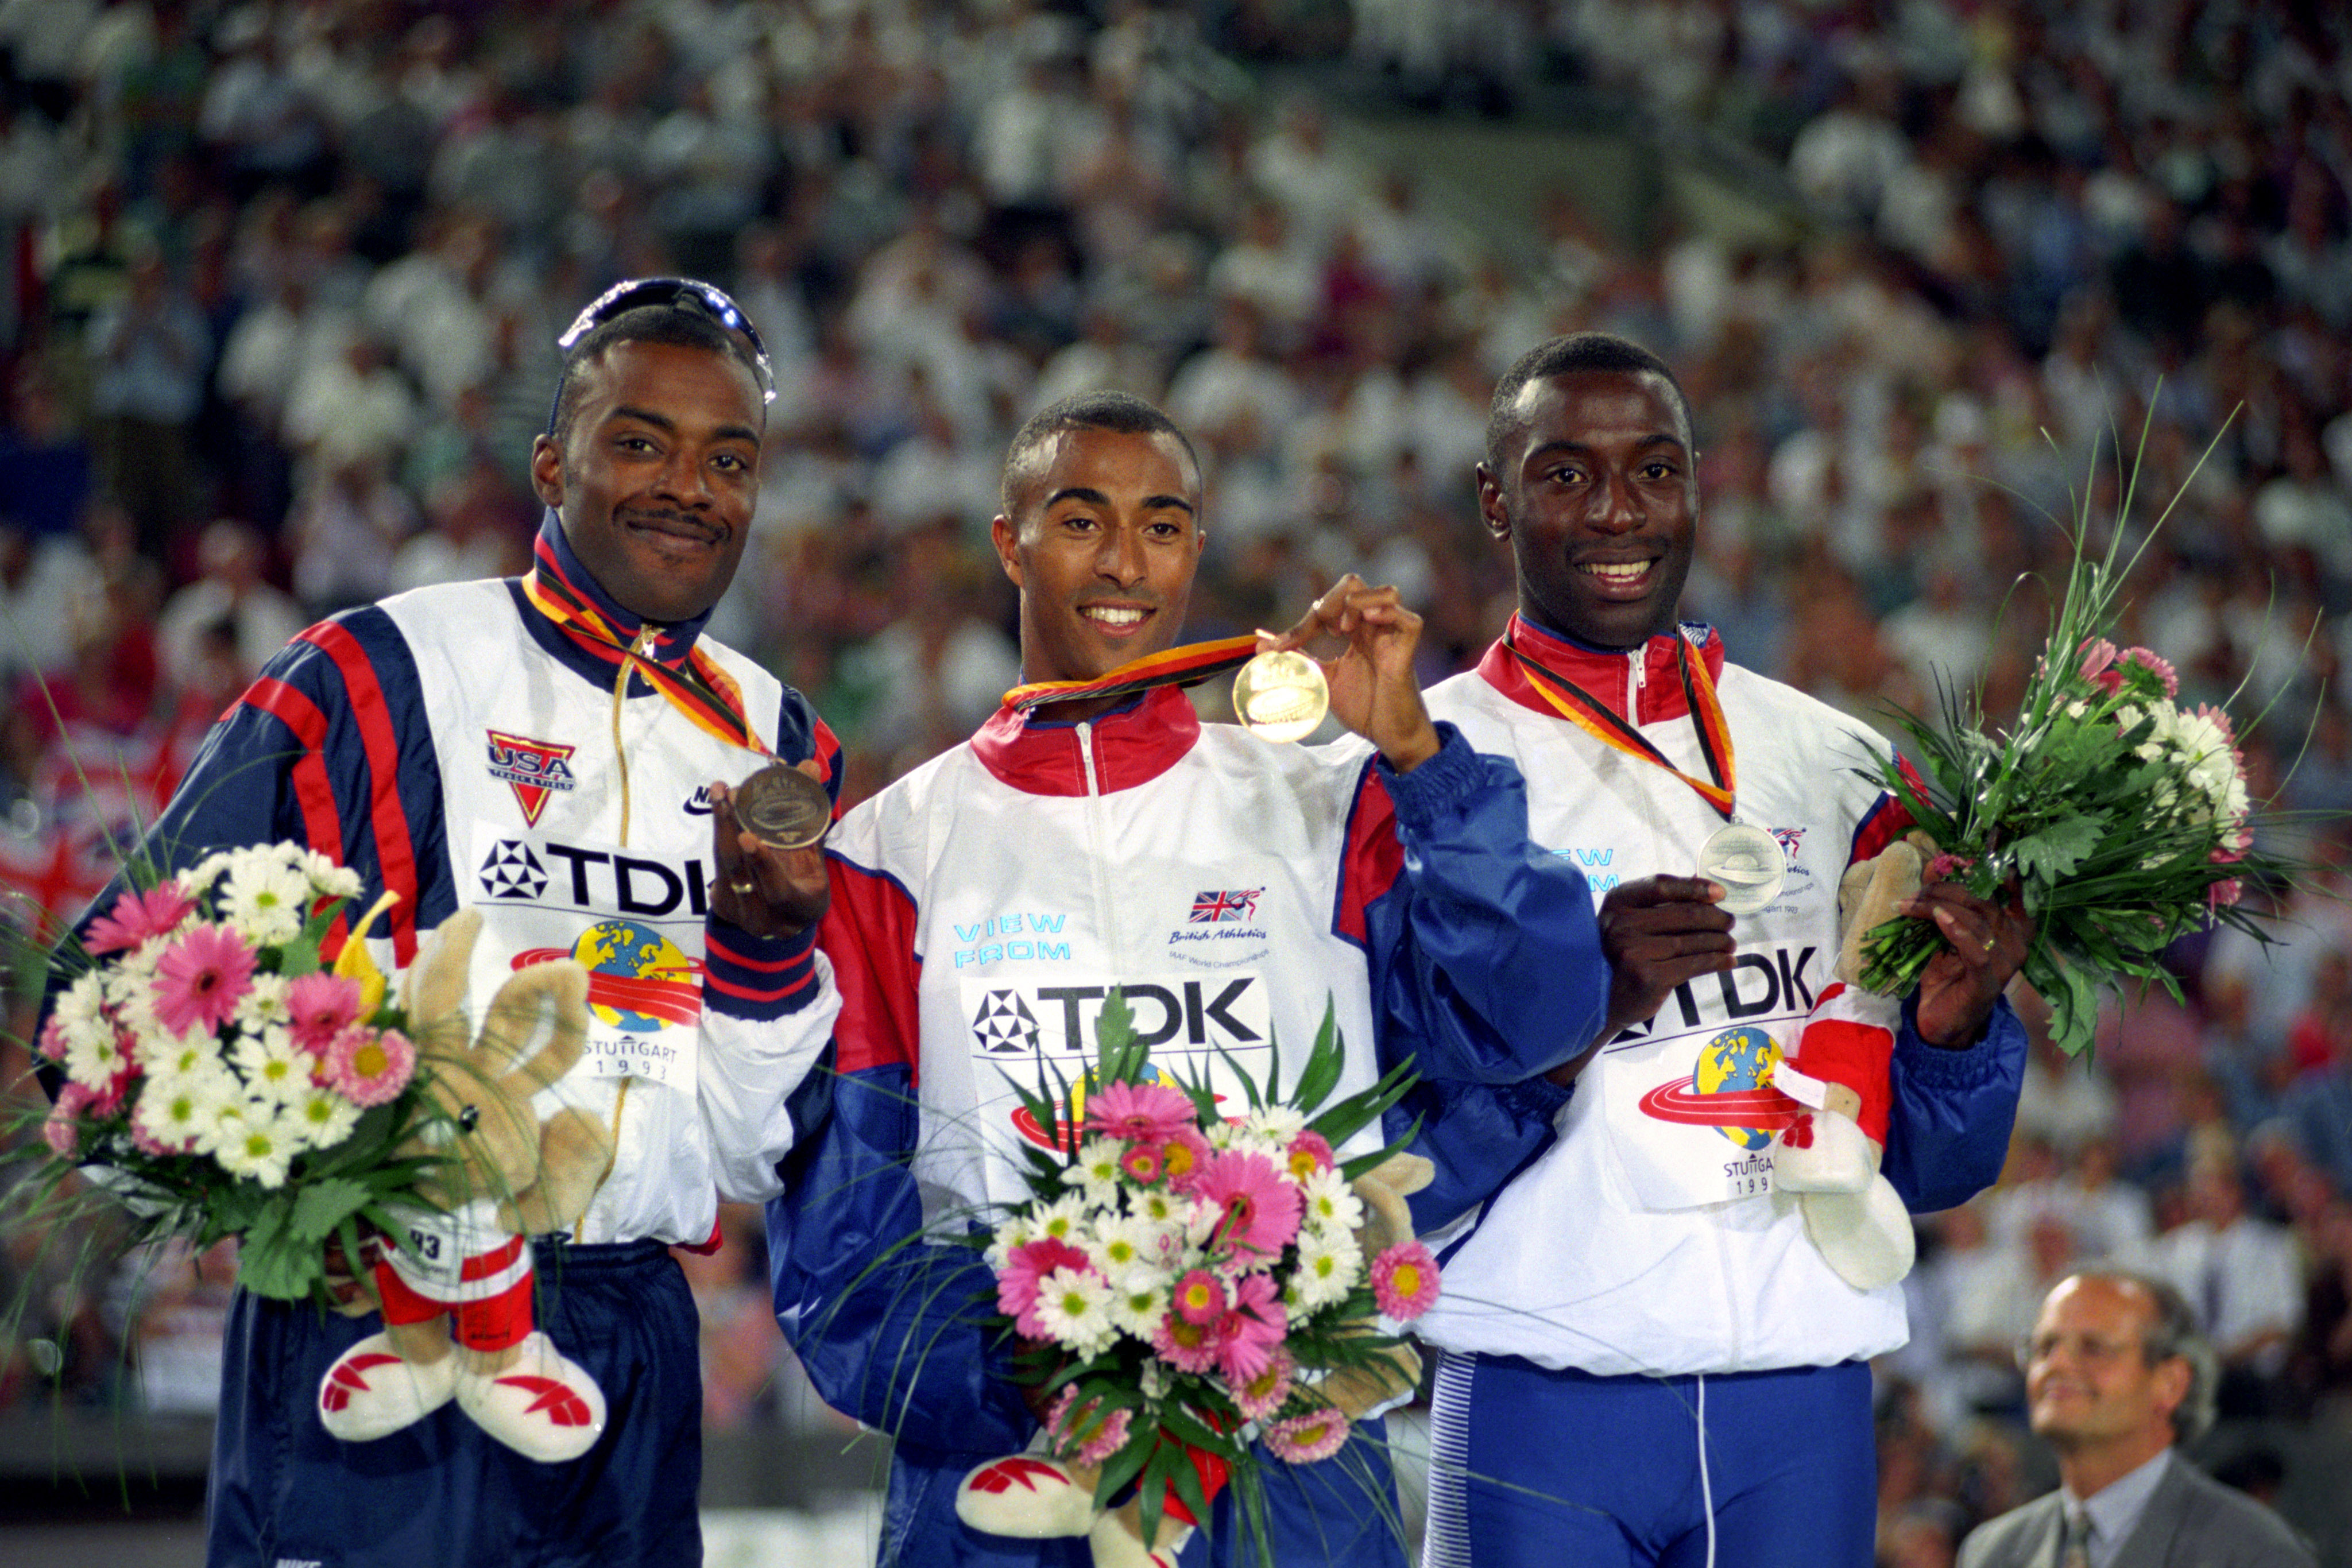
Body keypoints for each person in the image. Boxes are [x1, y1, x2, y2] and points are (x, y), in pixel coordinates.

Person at [43, 280, 841, 1566]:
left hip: (630, 1330)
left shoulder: (784, 747)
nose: (687, 486)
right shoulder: (377, 670)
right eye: (638, 441)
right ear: (549, 463)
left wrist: (759, 956)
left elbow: (759, 1147)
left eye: (728, 458)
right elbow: (101, 1002)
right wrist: (295, 1194)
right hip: (377, 1319)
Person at [766, 389, 1612, 1567]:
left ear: (1196, 550)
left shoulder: (1327, 806)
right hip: (1010, 1482)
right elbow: (842, 1252)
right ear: (1007, 540)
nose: (1124, 560)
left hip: (1293, 1472)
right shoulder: (888, 854)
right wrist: (1072, 1364)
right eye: (1080, 520)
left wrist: (1416, 756)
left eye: (1161, 525)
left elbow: (1540, 1017)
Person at [1414, 332, 2032, 1568]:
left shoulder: (1834, 759)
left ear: (1697, 484)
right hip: (1542, 1396)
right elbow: (1391, 1164)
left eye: (1651, 472)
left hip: (1796, 1405)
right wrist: (1580, 1006)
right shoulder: (1426, 775)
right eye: (1563, 475)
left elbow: (1929, 1161)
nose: (1614, 513)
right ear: (1495, 499)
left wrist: (1952, 1029)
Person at [1957, 1270, 2315, 1568]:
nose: (2056, 1365)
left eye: (2094, 1348)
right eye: (2043, 1347)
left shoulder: (2254, 1552)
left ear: (2171, 1383)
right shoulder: (1990, 1552)